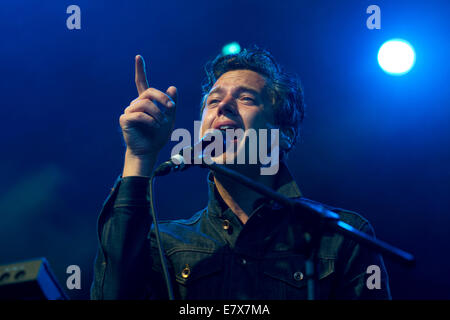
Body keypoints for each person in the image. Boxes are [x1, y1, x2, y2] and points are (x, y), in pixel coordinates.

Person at [90, 47, 391, 300]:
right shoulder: (165, 243)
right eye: (213, 100)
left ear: (283, 134)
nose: (223, 106)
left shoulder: (340, 239)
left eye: (246, 98)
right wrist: (139, 156)